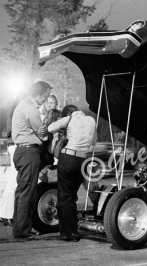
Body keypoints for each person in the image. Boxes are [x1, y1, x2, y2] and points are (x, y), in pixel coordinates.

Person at [48, 105, 96, 242]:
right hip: (84, 160)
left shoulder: (69, 119)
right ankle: (71, 229)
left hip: (69, 158)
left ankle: (69, 232)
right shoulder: (91, 120)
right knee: (72, 196)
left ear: (68, 114)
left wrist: (64, 125)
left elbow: (51, 128)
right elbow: (94, 142)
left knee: (64, 196)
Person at [11, 80, 52, 239]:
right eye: (46, 95)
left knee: (22, 191)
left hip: (22, 151)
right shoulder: (31, 109)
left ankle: (19, 229)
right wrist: (45, 133)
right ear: (40, 94)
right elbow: (42, 133)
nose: (46, 99)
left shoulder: (22, 104)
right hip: (29, 152)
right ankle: (23, 231)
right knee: (27, 192)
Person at [0, 95, 23, 226]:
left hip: (12, 145)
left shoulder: (11, 111)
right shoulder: (16, 113)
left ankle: (6, 213)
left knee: (13, 180)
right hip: (14, 145)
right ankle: (6, 214)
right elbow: (8, 132)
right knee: (14, 181)